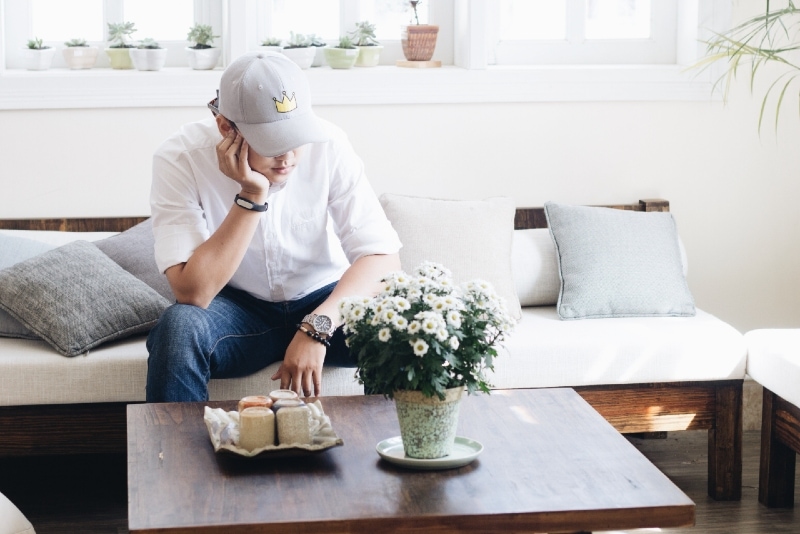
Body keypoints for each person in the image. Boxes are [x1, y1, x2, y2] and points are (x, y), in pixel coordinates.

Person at [146, 52, 402, 402]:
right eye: (272, 142)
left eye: (295, 136)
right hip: (239, 312)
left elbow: (382, 260)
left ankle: (395, 451)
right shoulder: (180, 158)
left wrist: (317, 327)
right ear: (226, 127)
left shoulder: (330, 144)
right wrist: (251, 196)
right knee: (178, 328)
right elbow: (193, 293)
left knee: (400, 319)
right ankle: (178, 456)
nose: (288, 157)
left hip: (324, 299)